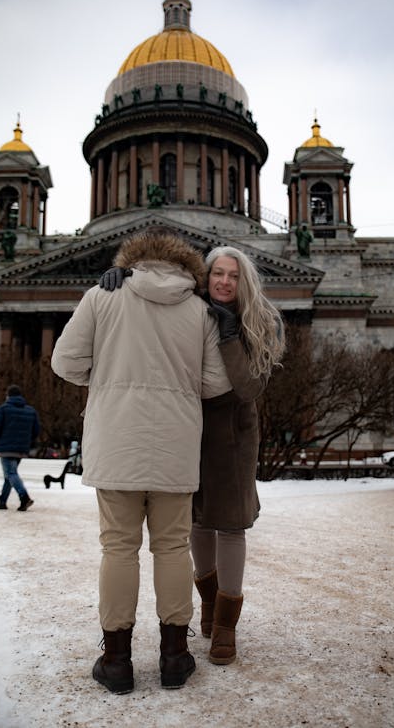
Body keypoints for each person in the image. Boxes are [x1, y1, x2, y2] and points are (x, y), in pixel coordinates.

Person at [51, 229, 231, 694]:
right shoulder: (198, 310)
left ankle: (116, 661)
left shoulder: (102, 295)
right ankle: (174, 656)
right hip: (175, 446)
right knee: (172, 548)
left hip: (116, 442)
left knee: (118, 548)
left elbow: (64, 363)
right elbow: (215, 383)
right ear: (187, 266)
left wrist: (110, 377)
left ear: (132, 260)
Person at [99, 244, 285, 666]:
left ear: (245, 281)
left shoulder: (261, 321)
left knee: (231, 524)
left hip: (233, 435)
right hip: (185, 427)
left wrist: (231, 334)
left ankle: (225, 625)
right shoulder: (188, 304)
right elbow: (147, 322)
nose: (223, 282)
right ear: (205, 276)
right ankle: (207, 604)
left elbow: (249, 388)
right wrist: (122, 281)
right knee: (196, 522)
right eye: (217, 273)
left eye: (233, 276)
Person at [0, 385, 40, 511]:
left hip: (6, 447)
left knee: (11, 473)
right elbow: (36, 430)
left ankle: (24, 497)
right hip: (21, 448)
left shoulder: (4, 409)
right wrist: (27, 442)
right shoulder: (30, 410)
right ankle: (2, 501)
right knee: (10, 474)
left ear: (8, 396)